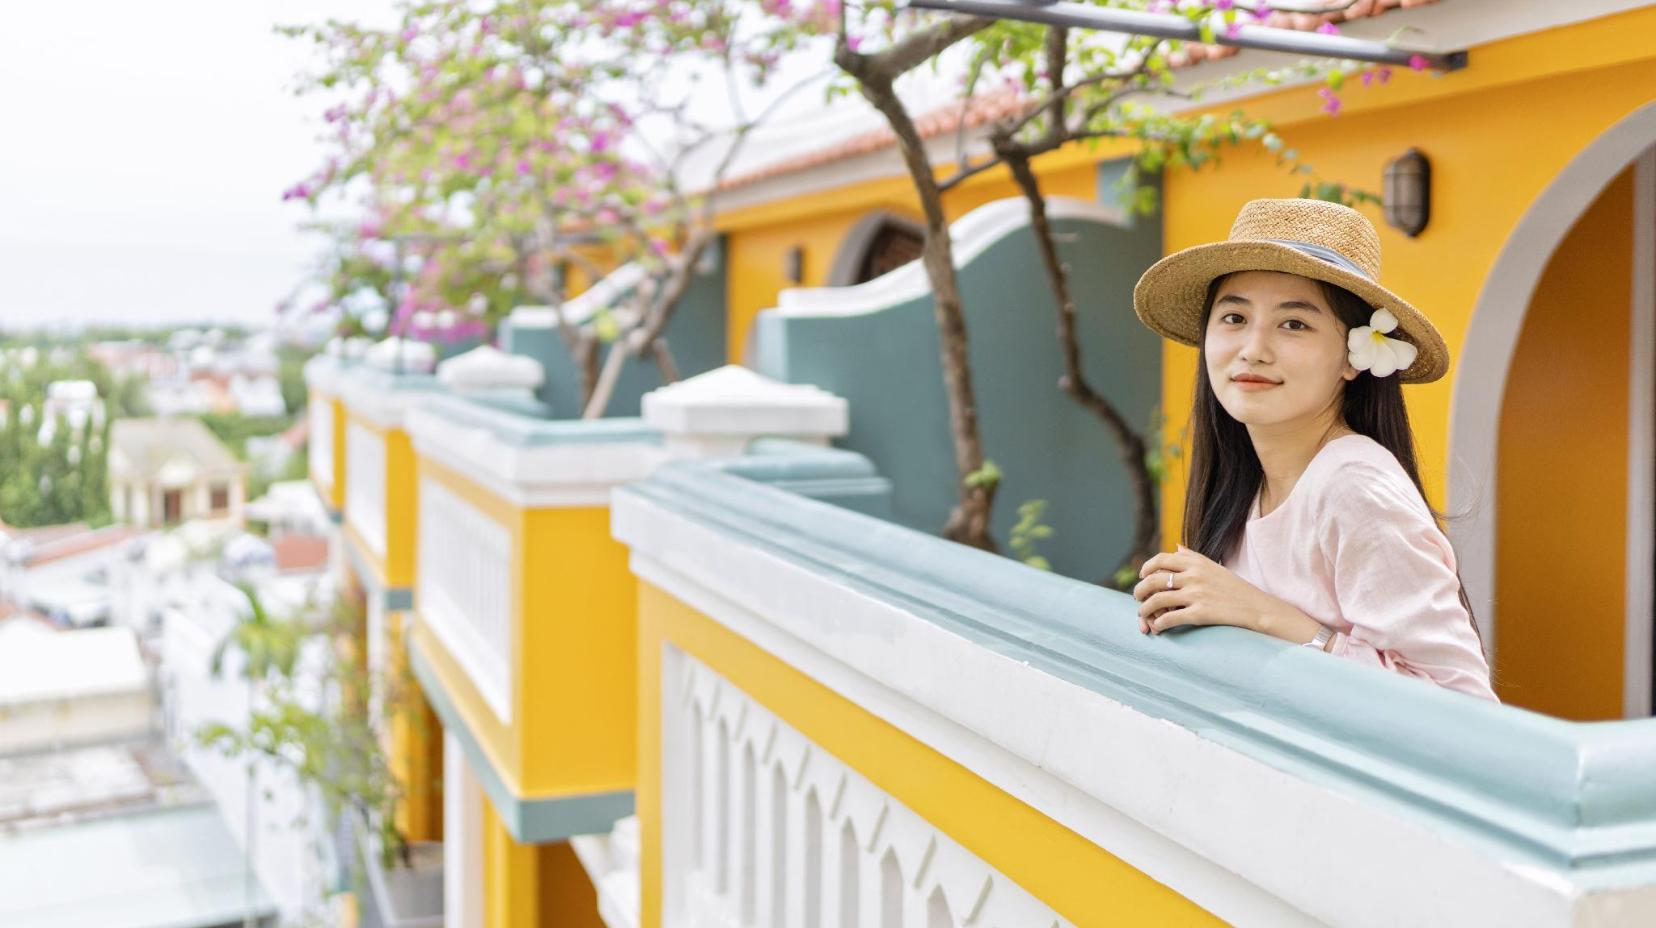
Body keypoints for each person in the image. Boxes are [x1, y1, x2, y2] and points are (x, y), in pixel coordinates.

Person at [1126, 197, 1496, 701]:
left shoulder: (1353, 487)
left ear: (1352, 358)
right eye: (1233, 317)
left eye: (1294, 323)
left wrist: (1266, 615)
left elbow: (1462, 708)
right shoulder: (1249, 484)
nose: (1253, 348)